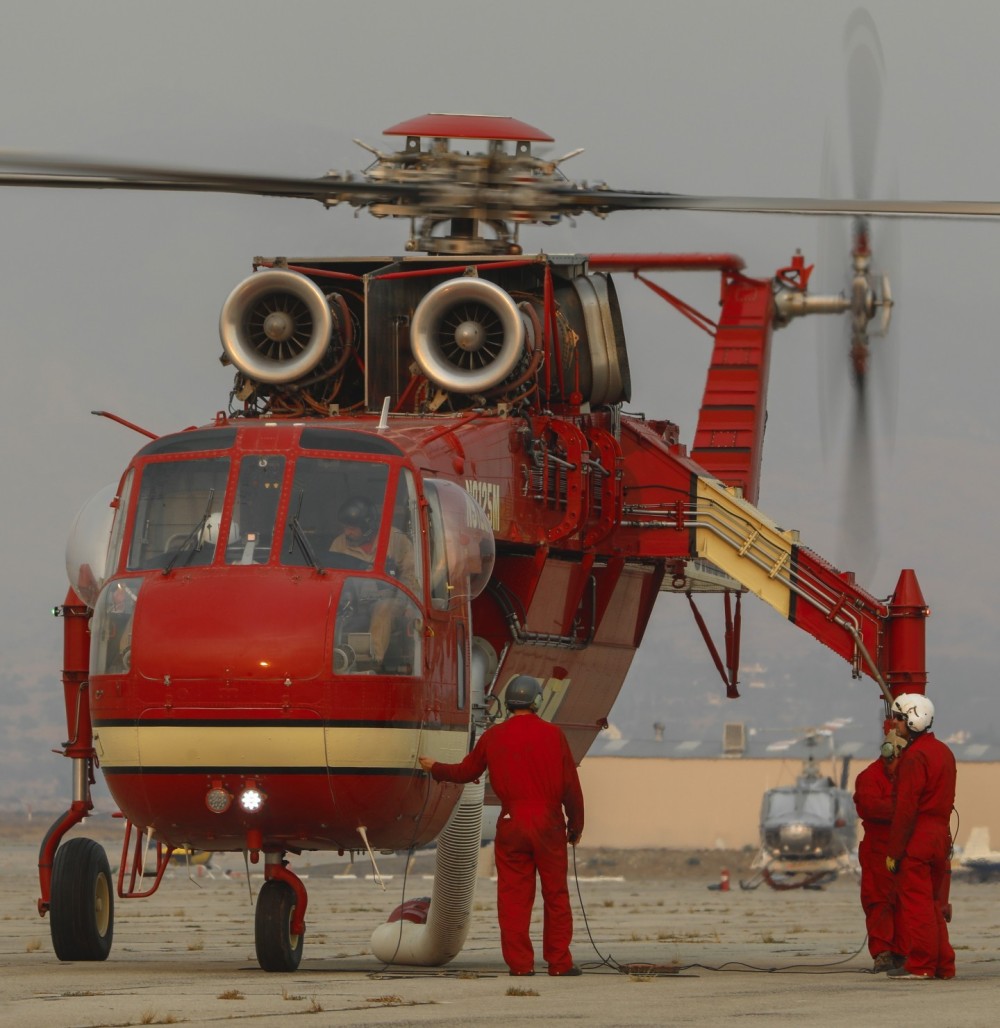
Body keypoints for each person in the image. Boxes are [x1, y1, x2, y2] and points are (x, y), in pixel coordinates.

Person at [418, 675, 585, 977]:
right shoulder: (554, 735)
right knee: (556, 896)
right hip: (549, 824)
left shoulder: (493, 736)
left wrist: (435, 768)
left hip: (511, 822)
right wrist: (575, 826)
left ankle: (520, 966)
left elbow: (466, 772)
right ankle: (559, 963)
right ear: (536, 702)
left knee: (513, 899)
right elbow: (571, 787)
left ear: (508, 703)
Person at [884, 693, 957, 980]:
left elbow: (906, 809)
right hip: (940, 836)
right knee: (934, 906)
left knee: (917, 906)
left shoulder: (915, 758)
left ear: (912, 719)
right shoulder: (943, 751)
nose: (895, 723)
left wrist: (894, 851)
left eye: (899, 718)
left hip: (918, 837)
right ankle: (944, 964)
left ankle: (922, 964)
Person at [330, 496, 416, 667]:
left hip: (390, 602)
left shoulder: (396, 539)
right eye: (345, 528)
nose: (347, 533)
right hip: (352, 603)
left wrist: (409, 605)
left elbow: (410, 574)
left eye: (352, 528)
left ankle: (370, 660)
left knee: (383, 608)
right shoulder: (339, 544)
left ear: (368, 527)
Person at [853, 726, 906, 972]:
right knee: (879, 901)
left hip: (906, 847)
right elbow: (871, 807)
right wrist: (906, 808)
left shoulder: (908, 773)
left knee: (907, 902)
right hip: (879, 850)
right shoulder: (870, 777)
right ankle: (884, 952)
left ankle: (905, 950)